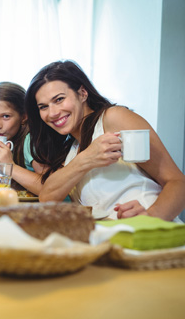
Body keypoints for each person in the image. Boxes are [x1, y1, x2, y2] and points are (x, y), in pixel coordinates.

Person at [24, 60, 185, 221]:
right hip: (114, 238)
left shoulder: (113, 118)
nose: (52, 113)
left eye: (59, 99)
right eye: (43, 107)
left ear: (82, 93)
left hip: (151, 236)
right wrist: (86, 159)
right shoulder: (72, 149)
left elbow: (178, 182)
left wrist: (150, 217)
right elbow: (47, 197)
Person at [0, 82, 44, 195]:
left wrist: (9, 165)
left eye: (6, 116)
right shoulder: (9, 140)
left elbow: (47, 187)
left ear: (24, 117)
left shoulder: (30, 141)